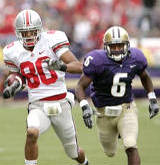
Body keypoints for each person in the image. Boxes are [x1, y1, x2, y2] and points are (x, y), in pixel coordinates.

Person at [2, 9, 89, 165]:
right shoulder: (12, 51)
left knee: (74, 152)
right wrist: (14, 83)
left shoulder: (52, 40)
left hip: (61, 103)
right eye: (25, 33)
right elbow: (16, 74)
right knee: (32, 132)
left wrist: (59, 66)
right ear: (18, 32)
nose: (28, 36)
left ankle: (85, 163)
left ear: (39, 29)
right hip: (37, 105)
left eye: (32, 32)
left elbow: (79, 66)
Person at [75, 26, 159, 165]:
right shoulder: (97, 60)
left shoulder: (136, 58)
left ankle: (124, 130)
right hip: (103, 113)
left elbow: (144, 76)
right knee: (110, 152)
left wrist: (152, 98)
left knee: (130, 145)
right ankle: (119, 131)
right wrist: (85, 107)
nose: (117, 50)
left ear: (127, 46)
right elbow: (80, 86)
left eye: (120, 46)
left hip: (126, 108)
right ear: (106, 47)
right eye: (113, 46)